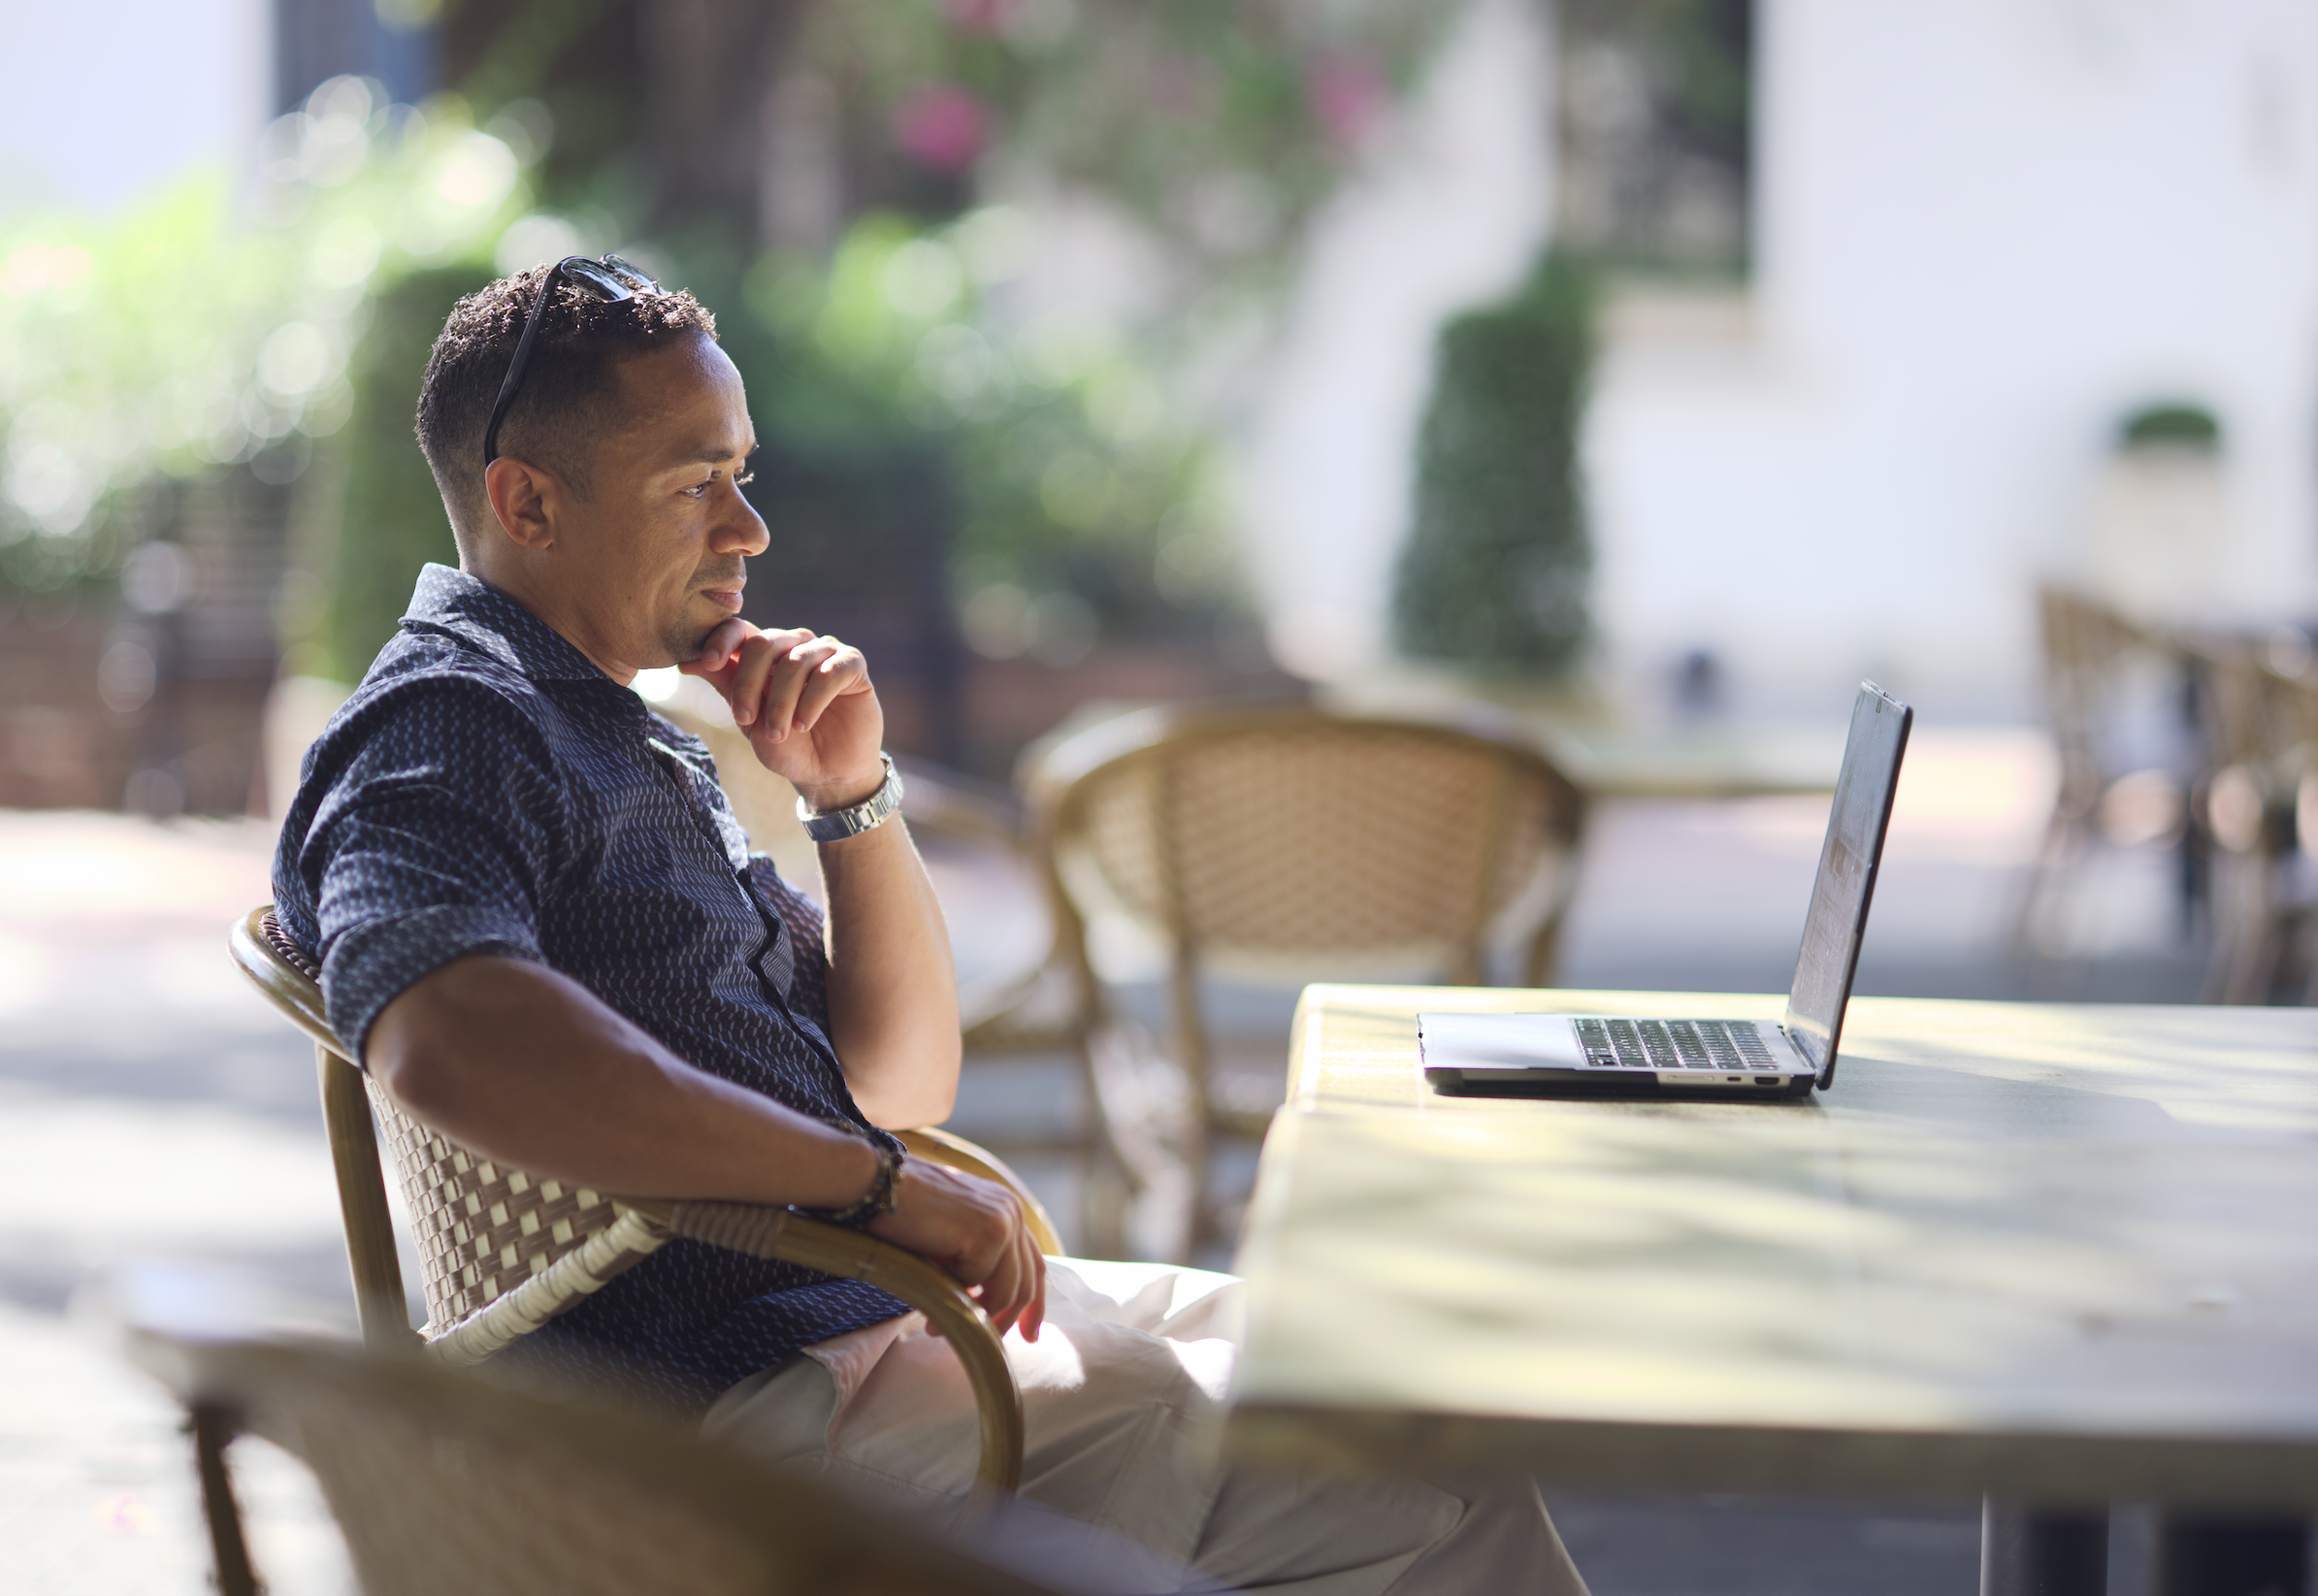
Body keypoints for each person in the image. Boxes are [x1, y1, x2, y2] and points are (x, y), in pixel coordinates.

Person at [273, 258, 1589, 1595]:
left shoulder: (624, 730)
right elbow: (442, 1031)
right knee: (1348, 1463)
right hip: (720, 1407)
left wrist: (848, 797)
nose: (749, 530)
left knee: (1392, 1405)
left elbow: (898, 1082)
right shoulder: (449, 718)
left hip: (843, 1332)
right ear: (528, 501)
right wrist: (876, 1191)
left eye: (743, 472)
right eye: (696, 483)